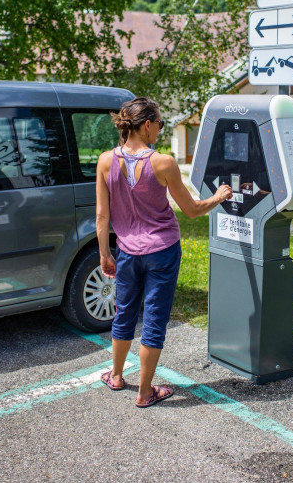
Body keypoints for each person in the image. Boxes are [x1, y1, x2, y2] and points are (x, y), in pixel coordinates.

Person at [95, 97, 232, 408]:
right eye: (159, 124)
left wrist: (105, 253)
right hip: (162, 251)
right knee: (155, 318)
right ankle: (145, 393)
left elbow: (102, 216)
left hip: (126, 250)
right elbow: (193, 210)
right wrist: (220, 196)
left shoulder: (105, 161)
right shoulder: (164, 163)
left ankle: (116, 376)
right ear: (146, 125)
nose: (159, 130)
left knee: (124, 312)